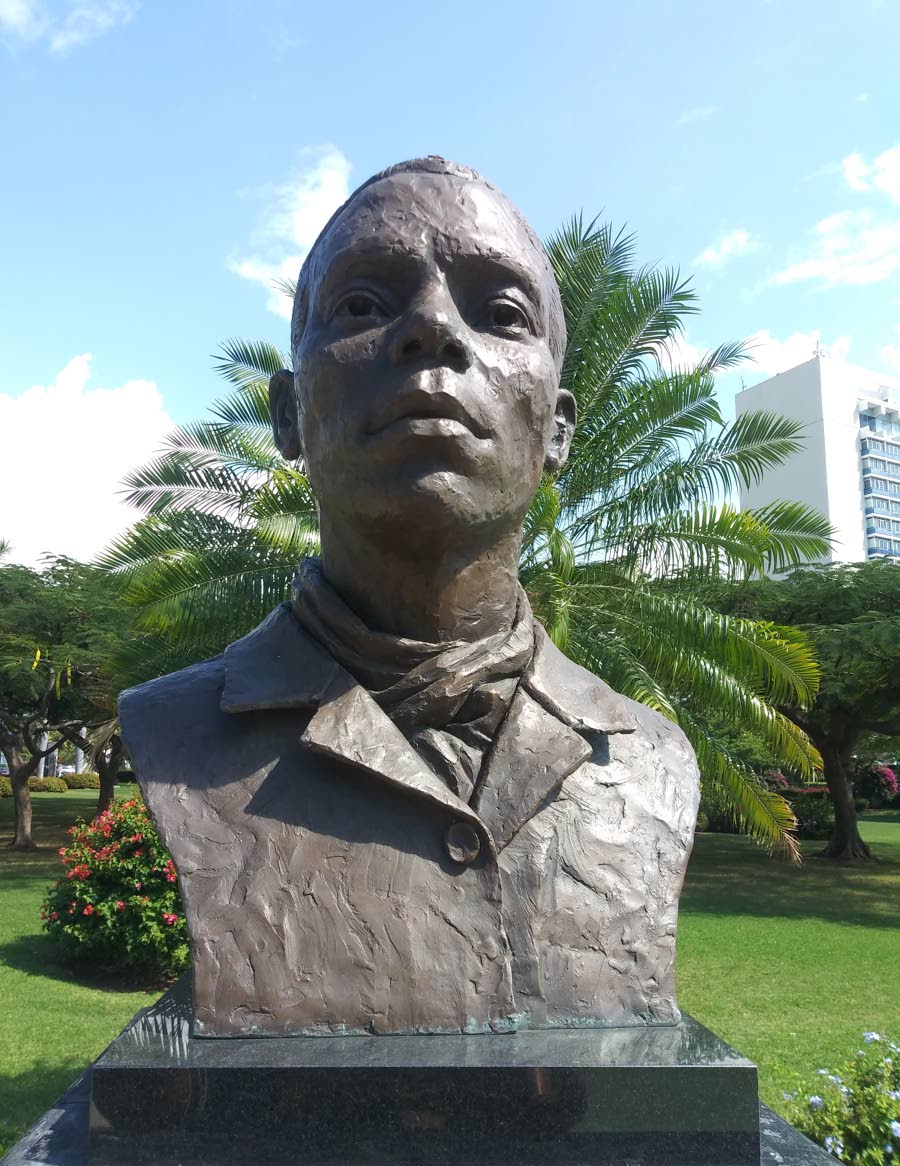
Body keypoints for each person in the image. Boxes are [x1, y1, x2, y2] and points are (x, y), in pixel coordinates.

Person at [120, 157, 699, 1037]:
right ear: (287, 415)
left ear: (558, 430)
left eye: (501, 313)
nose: (432, 328)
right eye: (363, 305)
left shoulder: (650, 759)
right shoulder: (176, 735)